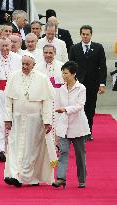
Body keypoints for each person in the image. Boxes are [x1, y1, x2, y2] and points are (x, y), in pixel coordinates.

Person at [3, 53, 55, 187]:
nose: (25, 67)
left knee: (31, 149)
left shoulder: (42, 78)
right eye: (23, 64)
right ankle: (14, 175)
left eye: (27, 64)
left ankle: (30, 178)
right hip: (17, 119)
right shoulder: (14, 76)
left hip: (35, 121)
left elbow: (47, 101)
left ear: (34, 65)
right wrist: (7, 119)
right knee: (14, 147)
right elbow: (8, 100)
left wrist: (48, 121)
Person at [52, 61, 90, 189]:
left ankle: (82, 179)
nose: (63, 75)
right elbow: (57, 108)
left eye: (66, 73)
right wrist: (56, 130)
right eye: (62, 72)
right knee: (63, 152)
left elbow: (79, 106)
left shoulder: (81, 88)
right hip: (63, 126)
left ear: (73, 74)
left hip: (78, 127)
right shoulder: (60, 89)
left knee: (80, 154)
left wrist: (65, 109)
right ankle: (61, 178)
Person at [69, 25, 107, 141]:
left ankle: (88, 132)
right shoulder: (74, 48)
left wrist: (102, 84)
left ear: (91, 35)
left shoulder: (98, 48)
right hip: (78, 84)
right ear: (80, 35)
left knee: (90, 108)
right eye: (83, 34)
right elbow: (71, 66)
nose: (85, 36)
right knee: (77, 109)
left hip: (92, 84)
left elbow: (102, 66)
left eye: (87, 34)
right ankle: (76, 132)